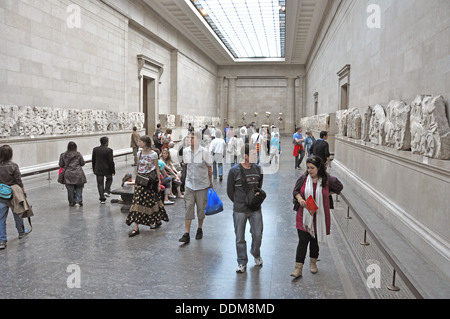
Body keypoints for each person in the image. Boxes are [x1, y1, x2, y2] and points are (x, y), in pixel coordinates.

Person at [291, 156, 343, 278]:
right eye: (308, 167)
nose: (309, 170)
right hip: (303, 215)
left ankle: (313, 263)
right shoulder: (304, 178)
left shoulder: (328, 180)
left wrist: (327, 194)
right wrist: (300, 199)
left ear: (319, 168)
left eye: (312, 168)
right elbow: (295, 191)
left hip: (319, 216)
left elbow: (339, 187)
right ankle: (298, 268)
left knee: (314, 241)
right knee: (303, 241)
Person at [227, 143, 264, 273]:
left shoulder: (258, 169)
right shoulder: (234, 171)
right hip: (240, 210)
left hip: (255, 209)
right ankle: (242, 262)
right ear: (246, 156)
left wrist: (252, 202)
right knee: (239, 237)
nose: (257, 156)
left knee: (258, 234)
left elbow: (259, 187)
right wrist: (239, 202)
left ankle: (255, 252)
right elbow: (229, 191)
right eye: (254, 154)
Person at [126, 135, 168, 236]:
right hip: (141, 179)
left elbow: (157, 168)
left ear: (145, 143)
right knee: (137, 201)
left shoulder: (153, 154)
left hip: (150, 180)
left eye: (140, 141)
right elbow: (138, 167)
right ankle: (136, 227)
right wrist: (137, 178)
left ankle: (156, 220)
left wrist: (158, 182)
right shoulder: (139, 153)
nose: (138, 143)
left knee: (152, 201)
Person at [178, 131, 213, 244]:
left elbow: (209, 168)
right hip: (189, 184)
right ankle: (186, 233)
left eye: (192, 138)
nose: (190, 140)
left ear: (198, 140)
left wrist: (210, 182)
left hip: (202, 185)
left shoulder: (205, 152)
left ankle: (199, 228)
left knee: (200, 209)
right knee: (188, 207)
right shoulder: (185, 151)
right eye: (189, 138)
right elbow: (186, 166)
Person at [0, 145, 31, 249]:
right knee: (18, 213)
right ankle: (21, 232)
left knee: (1, 218)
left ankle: (2, 240)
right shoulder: (14, 166)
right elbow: (19, 181)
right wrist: (24, 193)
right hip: (13, 195)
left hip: (1, 195)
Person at [59, 141, 87, 207]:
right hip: (78, 173)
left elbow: (61, 164)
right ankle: (79, 199)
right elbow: (82, 163)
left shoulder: (63, 155)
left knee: (70, 189)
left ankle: (71, 202)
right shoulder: (78, 154)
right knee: (79, 187)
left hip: (68, 174)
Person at [92, 136, 115, 204]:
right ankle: (106, 191)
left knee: (100, 183)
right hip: (107, 169)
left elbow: (93, 160)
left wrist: (94, 169)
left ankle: (102, 199)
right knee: (109, 179)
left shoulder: (95, 149)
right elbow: (111, 161)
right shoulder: (109, 150)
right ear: (106, 142)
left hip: (98, 168)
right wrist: (113, 171)